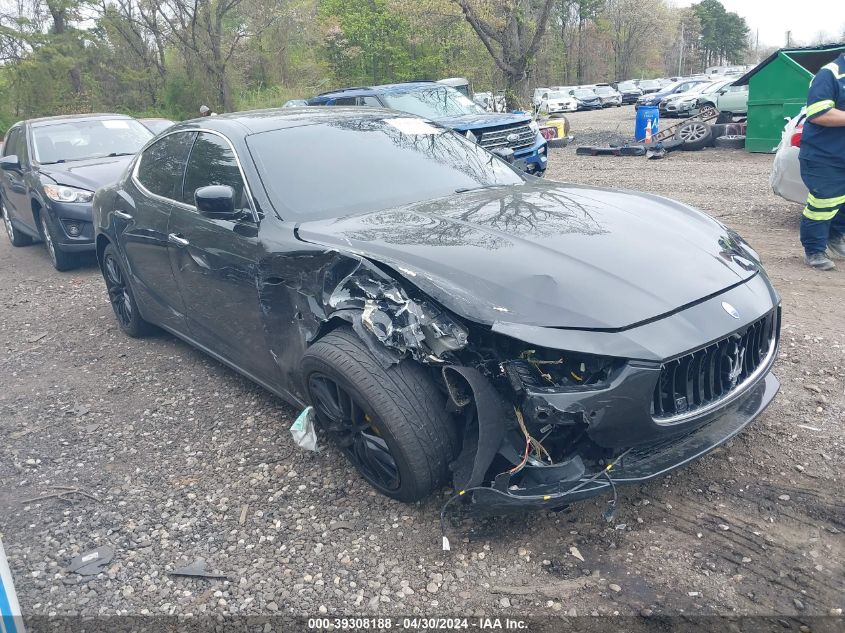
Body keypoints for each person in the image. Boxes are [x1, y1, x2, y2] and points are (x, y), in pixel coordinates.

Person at [798, 52, 845, 270]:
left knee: (841, 204)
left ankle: (835, 238)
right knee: (823, 203)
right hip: (824, 156)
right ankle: (814, 250)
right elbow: (819, 113)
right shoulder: (829, 74)